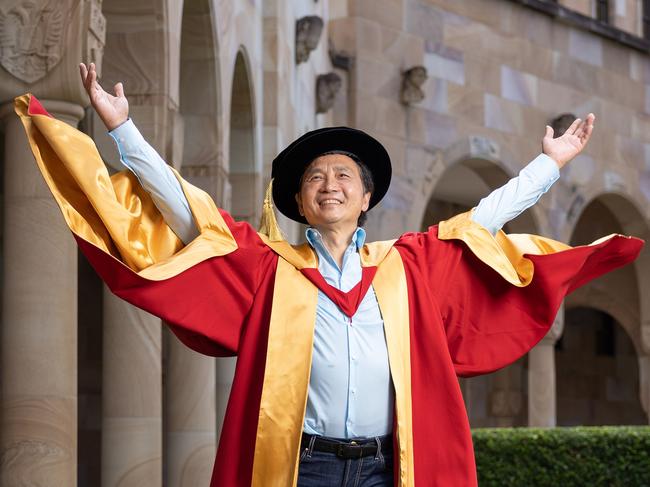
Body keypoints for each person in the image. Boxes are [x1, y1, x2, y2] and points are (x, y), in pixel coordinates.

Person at [13, 62, 642, 487]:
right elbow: (187, 211)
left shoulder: (407, 266)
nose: (330, 185)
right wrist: (122, 129)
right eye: (316, 178)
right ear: (301, 202)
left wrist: (548, 165)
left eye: (344, 176)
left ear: (365, 198)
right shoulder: (269, 269)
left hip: (384, 467)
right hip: (299, 466)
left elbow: (481, 221)